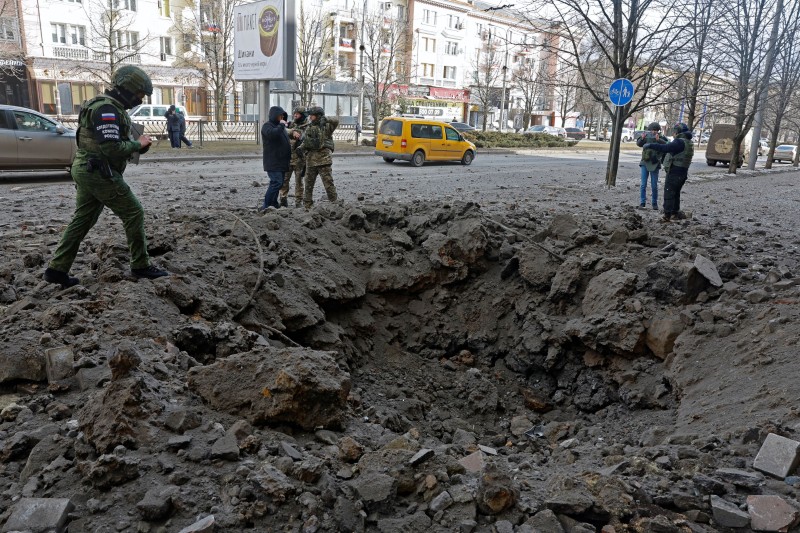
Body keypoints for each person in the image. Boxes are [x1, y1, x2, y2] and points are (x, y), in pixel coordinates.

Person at [43, 65, 168, 287]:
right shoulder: (106, 109)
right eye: (139, 94)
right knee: (134, 212)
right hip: (98, 171)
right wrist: (137, 145)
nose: (140, 99)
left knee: (83, 219)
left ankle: (56, 270)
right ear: (128, 89)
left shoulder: (105, 106)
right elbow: (111, 148)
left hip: (89, 169)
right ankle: (141, 265)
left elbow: (112, 144)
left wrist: (138, 146)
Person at [643, 122, 694, 222]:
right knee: (676, 193)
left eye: (674, 131)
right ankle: (675, 213)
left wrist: (650, 145)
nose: (673, 133)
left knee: (669, 193)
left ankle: (667, 215)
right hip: (683, 172)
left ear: (678, 132)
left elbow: (666, 148)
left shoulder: (679, 142)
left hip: (675, 171)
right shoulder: (688, 142)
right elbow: (668, 145)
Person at [300, 106, 339, 209]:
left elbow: (336, 120)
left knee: (328, 184)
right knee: (308, 185)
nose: (310, 117)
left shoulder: (327, 126)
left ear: (318, 116)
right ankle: (307, 206)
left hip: (323, 160)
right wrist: (301, 148)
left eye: (312, 116)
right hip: (311, 161)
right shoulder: (309, 127)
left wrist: (326, 119)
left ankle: (335, 205)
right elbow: (306, 141)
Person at [260, 105, 291, 210]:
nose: (282, 117)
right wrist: (281, 125)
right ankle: (266, 205)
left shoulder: (280, 127)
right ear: (274, 115)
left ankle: (273, 203)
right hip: (273, 161)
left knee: (279, 183)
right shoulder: (267, 126)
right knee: (276, 182)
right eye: (280, 115)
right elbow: (273, 134)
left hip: (281, 162)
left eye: (283, 116)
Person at [279, 106, 309, 207]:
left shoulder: (307, 127)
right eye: (294, 113)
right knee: (284, 180)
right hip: (288, 157)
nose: (295, 115)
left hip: (300, 159)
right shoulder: (291, 124)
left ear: (303, 115)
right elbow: (282, 130)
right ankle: (283, 199)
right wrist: (291, 131)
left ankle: (298, 201)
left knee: (299, 182)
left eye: (298, 114)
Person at [636, 122, 667, 210]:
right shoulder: (646, 136)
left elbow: (667, 144)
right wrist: (642, 138)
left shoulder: (660, 137)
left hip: (655, 163)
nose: (654, 132)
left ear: (658, 131)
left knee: (654, 185)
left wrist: (658, 140)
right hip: (645, 162)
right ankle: (642, 202)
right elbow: (639, 144)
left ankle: (654, 203)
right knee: (643, 184)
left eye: (656, 130)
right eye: (652, 130)